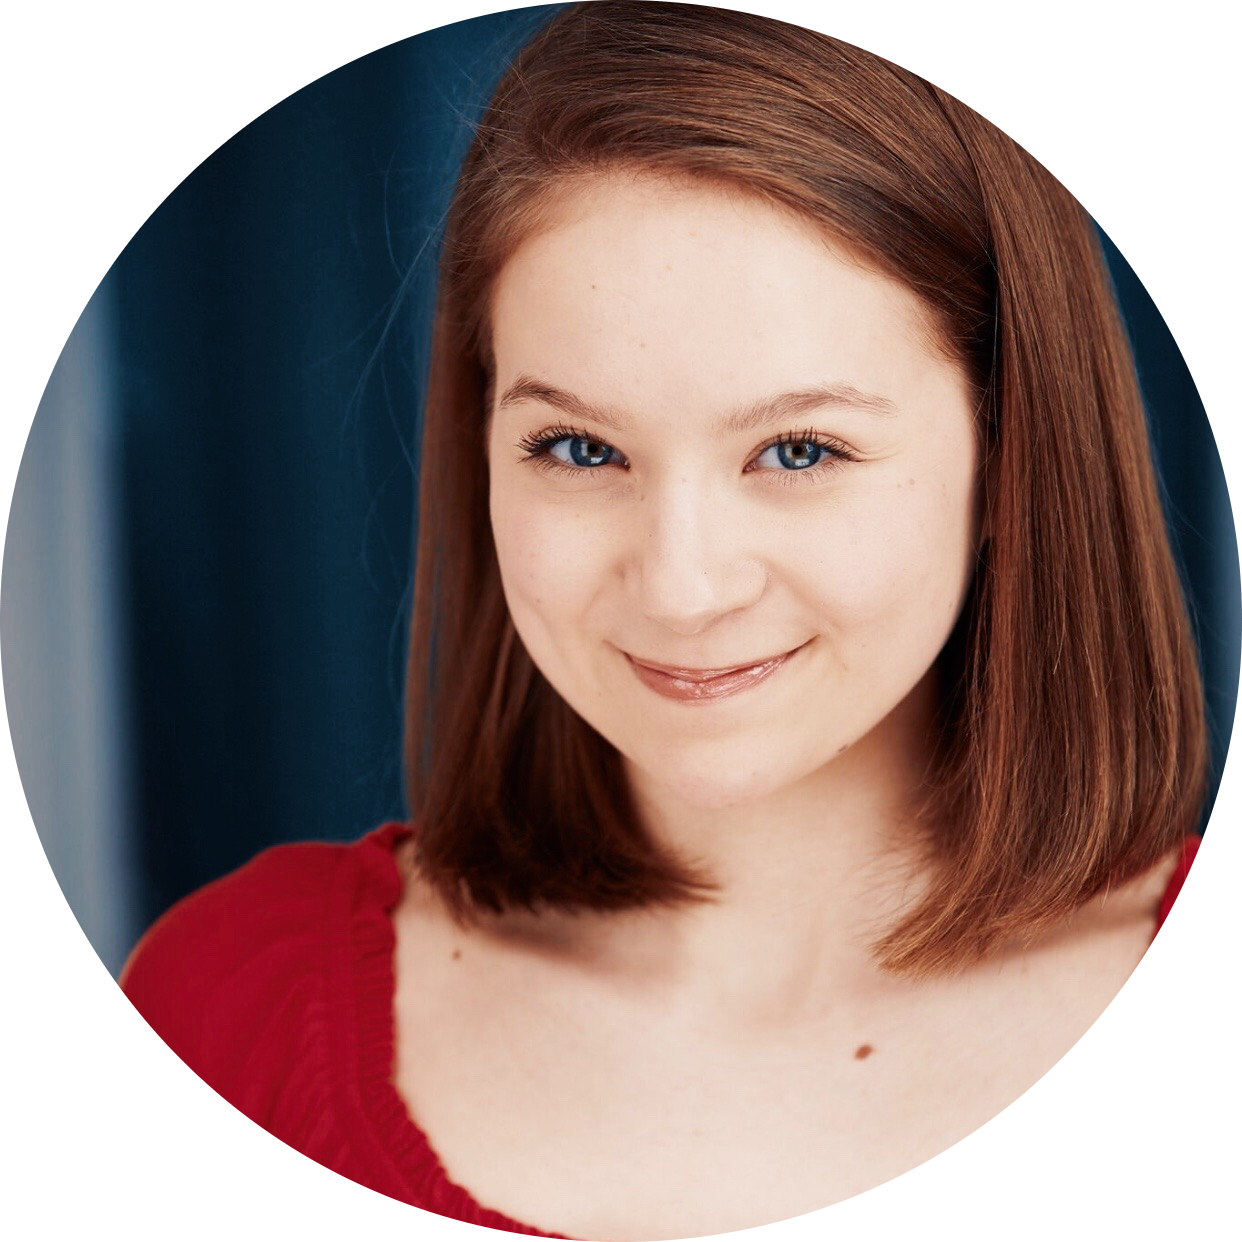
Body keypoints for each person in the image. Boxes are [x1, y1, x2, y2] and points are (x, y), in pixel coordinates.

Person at [120, 4, 1207, 1236]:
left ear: (1011, 461)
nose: (682, 589)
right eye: (579, 448)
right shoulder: (227, 1009)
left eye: (799, 450)